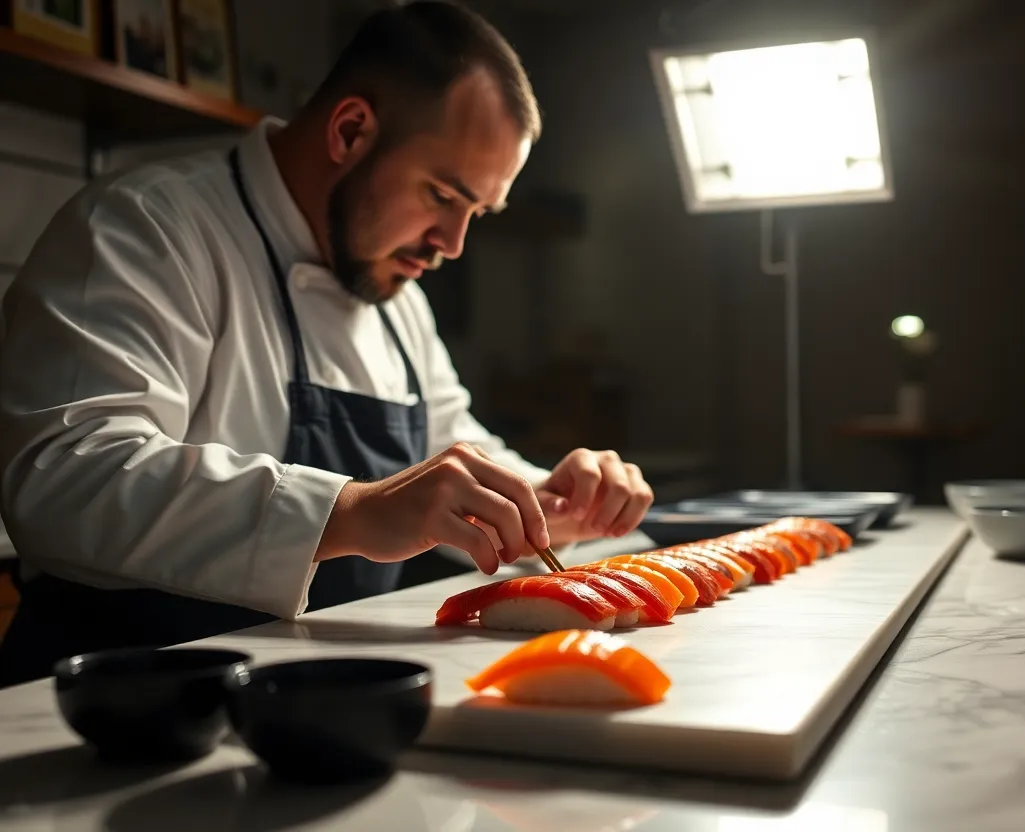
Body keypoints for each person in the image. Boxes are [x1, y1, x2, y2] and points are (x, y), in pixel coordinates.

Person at [0, 1, 654, 687]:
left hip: (325, 704)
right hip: (119, 711)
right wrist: (351, 513)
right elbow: (64, 473)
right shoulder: (146, 230)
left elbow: (454, 451)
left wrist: (547, 503)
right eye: (441, 195)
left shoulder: (398, 303)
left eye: (475, 215)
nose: (453, 245)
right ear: (350, 130)